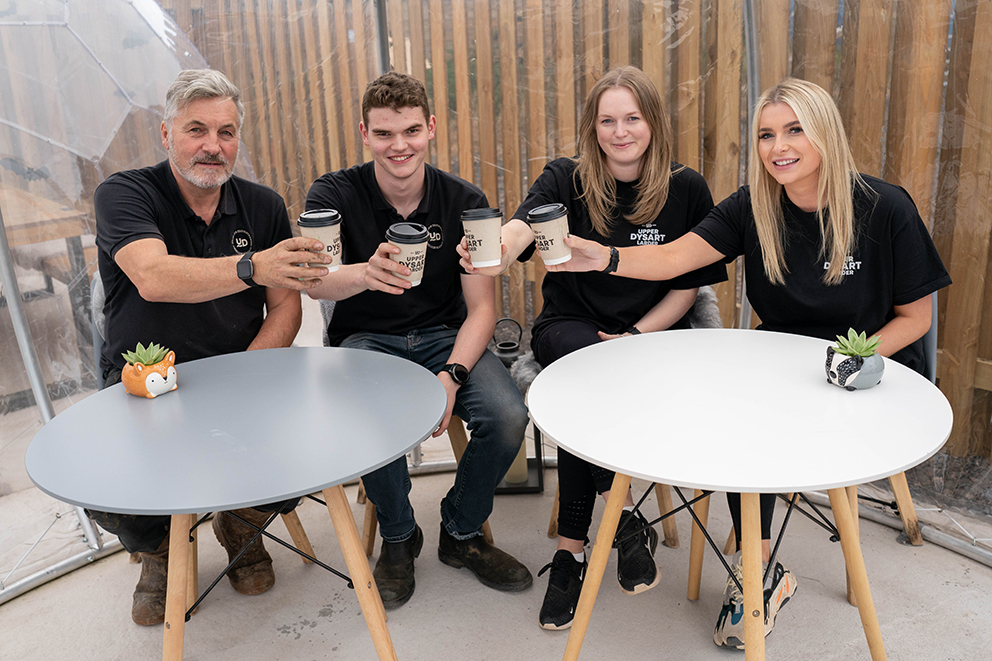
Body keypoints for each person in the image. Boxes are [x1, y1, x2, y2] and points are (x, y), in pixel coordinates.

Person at [542, 77, 951, 648]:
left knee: (757, 431)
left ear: (824, 134)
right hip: (780, 365)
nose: (778, 146)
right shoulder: (753, 206)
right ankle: (758, 576)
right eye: (765, 134)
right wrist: (605, 256)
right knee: (738, 431)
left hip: (862, 369)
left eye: (794, 130)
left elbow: (915, 318)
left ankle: (753, 573)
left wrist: (850, 358)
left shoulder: (884, 208)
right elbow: (676, 257)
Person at [458, 66, 728, 630]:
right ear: (592, 126)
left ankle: (570, 552)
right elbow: (522, 226)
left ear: (652, 122)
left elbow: (686, 288)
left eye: (632, 118)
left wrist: (635, 337)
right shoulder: (566, 179)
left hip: (652, 334)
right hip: (572, 327)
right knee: (585, 373)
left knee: (587, 396)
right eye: (608, 120)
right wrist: (497, 250)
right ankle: (624, 521)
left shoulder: (686, 188)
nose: (620, 131)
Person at [91, 69, 331, 626]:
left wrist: (241, 382)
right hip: (144, 380)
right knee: (102, 487)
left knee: (309, 452)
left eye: (226, 132)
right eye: (196, 129)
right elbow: (152, 276)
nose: (212, 145)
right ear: (166, 134)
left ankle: (242, 519)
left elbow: (287, 308)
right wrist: (252, 265)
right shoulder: (124, 193)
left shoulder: (262, 205)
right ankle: (158, 548)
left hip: (242, 373)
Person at [304, 71, 532, 610]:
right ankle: (400, 536)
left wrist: (451, 377)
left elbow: (482, 309)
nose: (399, 145)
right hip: (366, 340)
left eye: (410, 131)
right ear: (364, 133)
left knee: (507, 417)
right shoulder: (333, 194)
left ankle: (460, 529)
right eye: (384, 134)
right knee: (370, 416)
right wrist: (363, 274)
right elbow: (314, 280)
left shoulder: (465, 202)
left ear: (430, 128)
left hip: (445, 338)